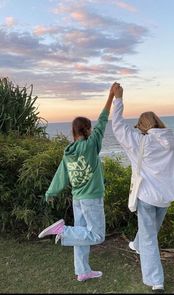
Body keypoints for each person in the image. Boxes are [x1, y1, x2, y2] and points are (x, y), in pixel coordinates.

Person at [111, 84, 174, 293]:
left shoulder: (138, 142)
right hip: (165, 197)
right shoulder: (173, 142)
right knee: (150, 233)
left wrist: (118, 99)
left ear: (142, 125)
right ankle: (137, 245)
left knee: (150, 237)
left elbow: (117, 126)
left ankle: (155, 281)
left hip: (146, 197)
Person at [38, 82, 118, 282]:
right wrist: (111, 96)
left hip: (78, 199)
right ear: (88, 130)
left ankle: (82, 271)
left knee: (82, 234)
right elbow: (103, 119)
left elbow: (61, 174)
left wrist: (50, 192)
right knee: (97, 235)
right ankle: (62, 231)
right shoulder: (91, 145)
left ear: (74, 132)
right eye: (92, 129)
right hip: (91, 198)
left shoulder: (68, 152)